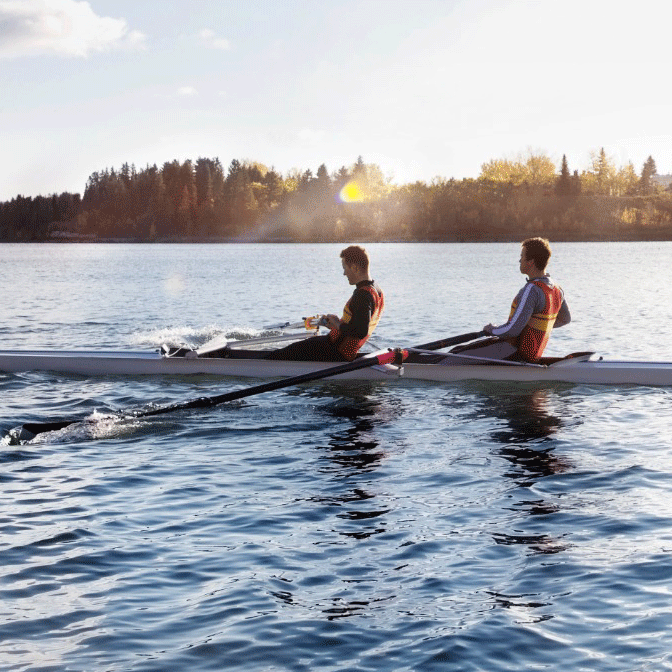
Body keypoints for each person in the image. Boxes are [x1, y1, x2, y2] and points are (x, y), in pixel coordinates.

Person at [453, 237, 570, 362]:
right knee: (459, 350)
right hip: (531, 354)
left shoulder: (532, 290)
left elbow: (512, 330)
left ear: (531, 261)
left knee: (454, 355)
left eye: (522, 256)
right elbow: (565, 319)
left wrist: (492, 329)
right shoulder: (557, 289)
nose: (519, 260)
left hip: (512, 351)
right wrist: (533, 326)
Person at [266, 245, 385, 362]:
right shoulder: (377, 290)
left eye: (345, 268)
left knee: (277, 356)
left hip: (335, 352)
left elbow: (360, 331)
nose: (344, 273)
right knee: (287, 351)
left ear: (354, 268)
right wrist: (337, 323)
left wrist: (337, 325)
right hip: (337, 347)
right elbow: (357, 324)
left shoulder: (362, 295)